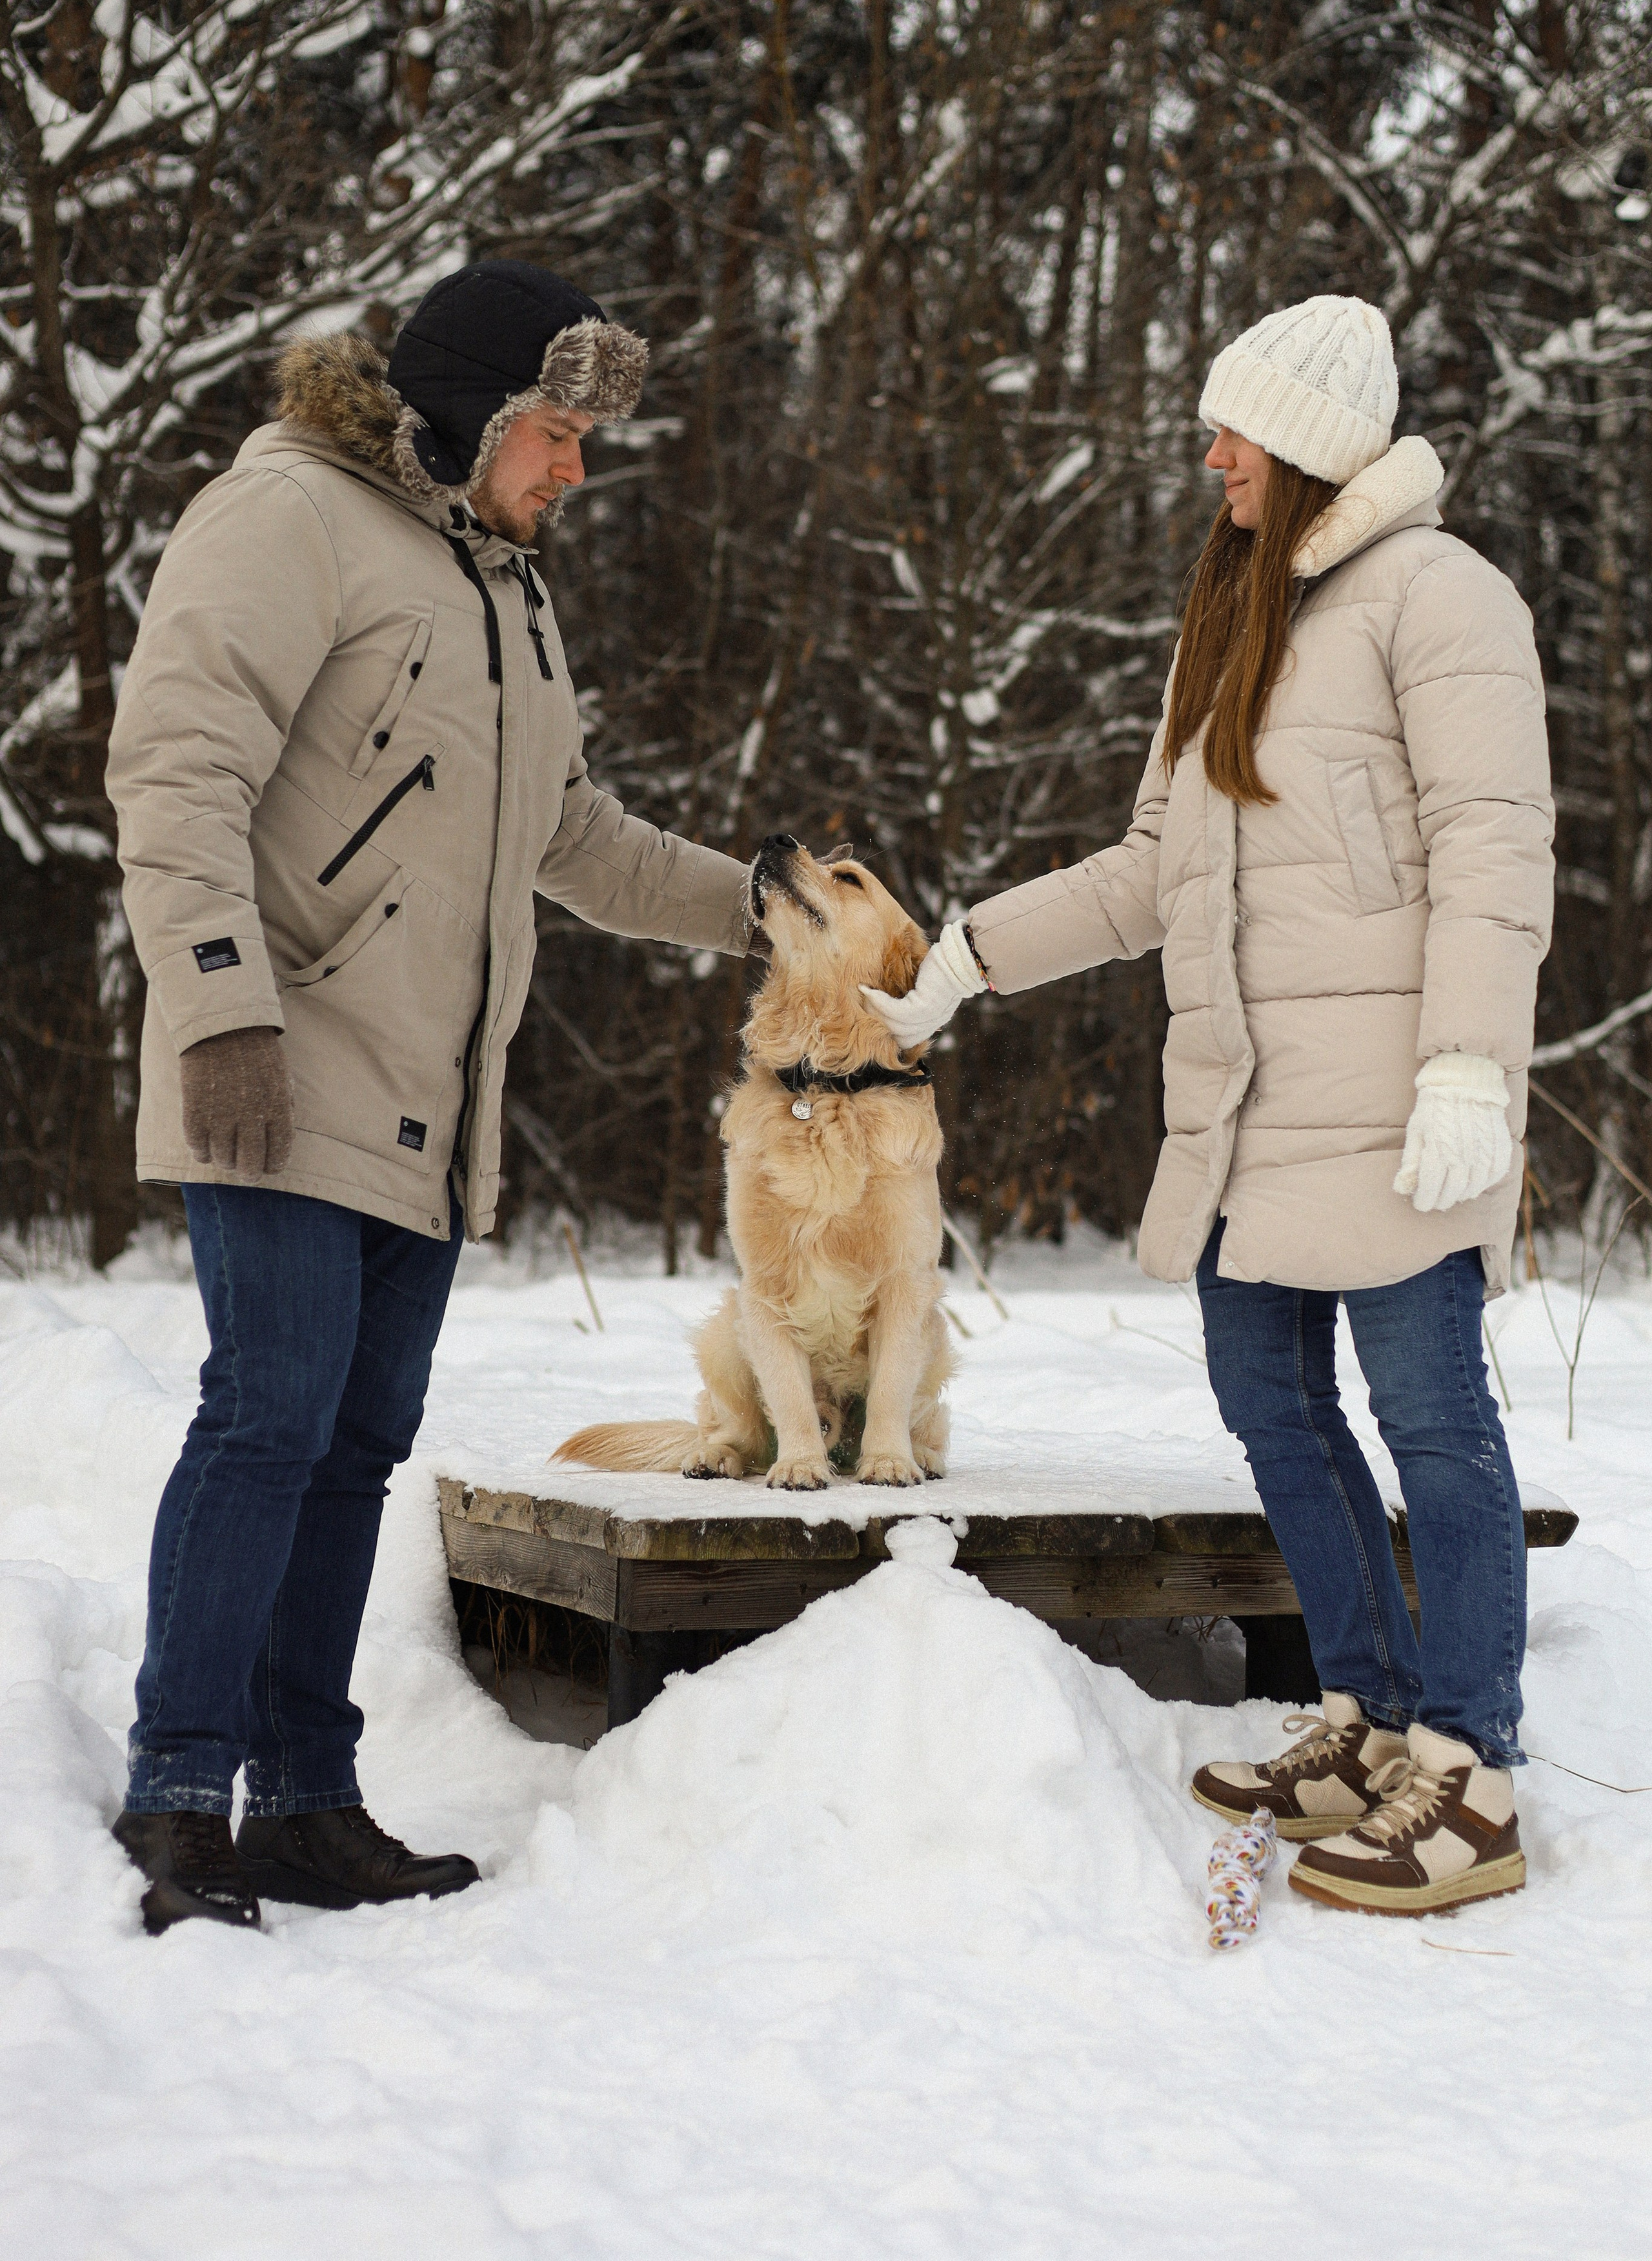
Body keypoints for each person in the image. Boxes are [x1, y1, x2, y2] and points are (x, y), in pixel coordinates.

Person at [865, 294, 1554, 1916]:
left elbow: (1493, 847)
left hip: (1397, 1108)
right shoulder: (1231, 617)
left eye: (1231, 430)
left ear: (1305, 444)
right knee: (1267, 1405)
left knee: (1434, 1428)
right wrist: (970, 954)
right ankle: (1366, 1716)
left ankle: (1470, 1768)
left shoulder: (1441, 599)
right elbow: (1148, 872)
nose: (1208, 455)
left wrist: (1469, 1062)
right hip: (1249, 1112)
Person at [105, 261, 752, 1934]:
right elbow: (178, 760)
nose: (577, 471)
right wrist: (221, 1008)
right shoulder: (290, 519)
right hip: (281, 1061)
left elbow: (577, 838)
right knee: (269, 1418)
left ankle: (307, 1799)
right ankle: (180, 1796)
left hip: (431, 1108)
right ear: (469, 415)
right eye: (556, 432)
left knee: (353, 1451)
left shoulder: (507, 594)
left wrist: (761, 901)